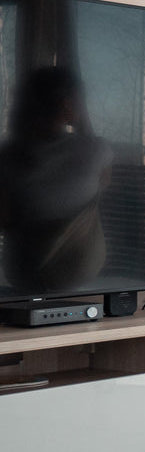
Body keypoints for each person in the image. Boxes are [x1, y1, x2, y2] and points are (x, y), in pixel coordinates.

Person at [0, 66, 113, 295]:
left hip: (21, 275)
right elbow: (104, 183)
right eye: (80, 99)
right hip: (78, 282)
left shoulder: (7, 156)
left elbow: (5, 220)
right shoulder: (93, 151)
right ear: (66, 102)